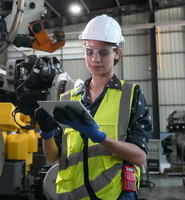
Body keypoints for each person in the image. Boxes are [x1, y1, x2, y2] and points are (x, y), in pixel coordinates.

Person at [35, 14, 152, 200]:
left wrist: (101, 138)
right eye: (89, 51)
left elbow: (139, 157)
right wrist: (46, 135)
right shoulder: (68, 98)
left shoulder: (131, 95)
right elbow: (54, 157)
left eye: (103, 52)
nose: (95, 59)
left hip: (112, 195)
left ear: (117, 53)